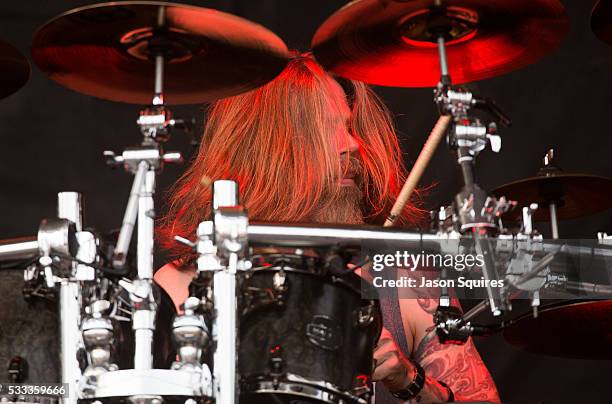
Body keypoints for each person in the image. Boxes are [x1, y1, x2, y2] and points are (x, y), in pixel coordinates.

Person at [155, 54, 500, 403]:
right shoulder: (180, 288)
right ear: (266, 150)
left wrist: (409, 379)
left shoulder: (406, 287)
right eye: (324, 129)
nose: (351, 144)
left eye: (348, 127)